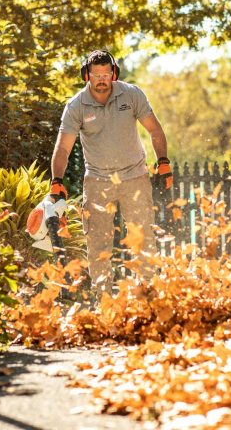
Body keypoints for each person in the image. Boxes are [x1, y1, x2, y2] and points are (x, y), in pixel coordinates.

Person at [50, 49, 172, 296]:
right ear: (87, 75)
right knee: (98, 244)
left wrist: (163, 162)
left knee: (143, 240)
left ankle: (146, 296)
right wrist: (56, 180)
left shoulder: (132, 94)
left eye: (106, 74)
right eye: (97, 75)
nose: (102, 79)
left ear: (114, 73)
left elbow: (155, 130)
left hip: (135, 176)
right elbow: (63, 147)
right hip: (97, 181)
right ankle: (102, 299)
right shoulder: (76, 106)